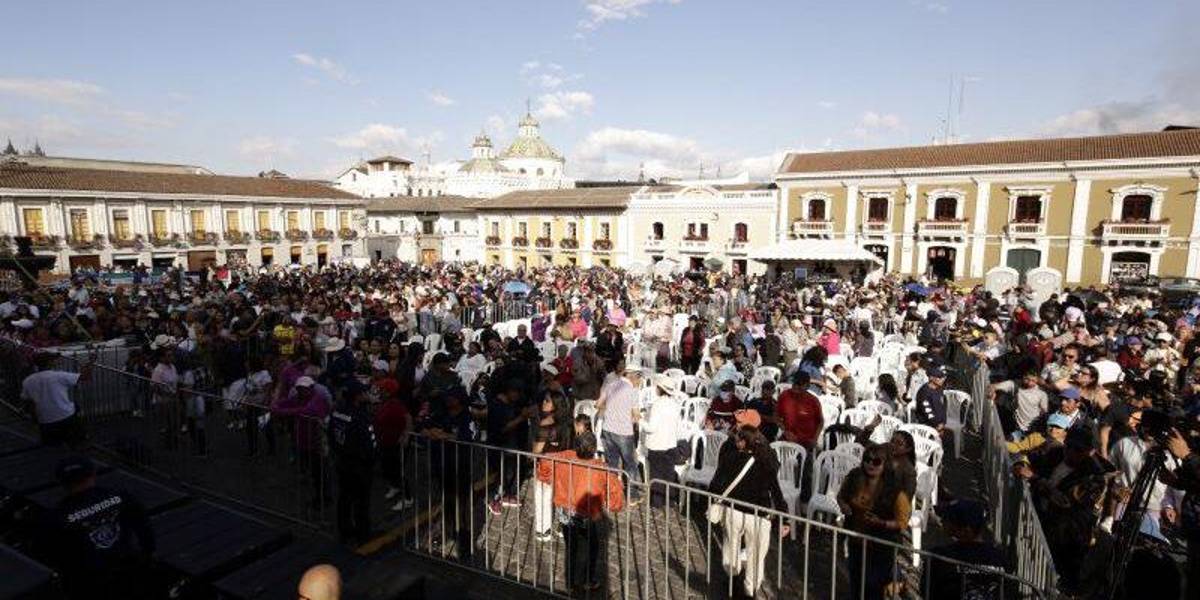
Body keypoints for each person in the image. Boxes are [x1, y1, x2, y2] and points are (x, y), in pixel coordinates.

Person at [43, 456, 156, 600]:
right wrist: (147, 556)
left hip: (90, 584)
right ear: (93, 474)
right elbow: (144, 529)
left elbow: (55, 556)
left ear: (61, 482)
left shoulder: (57, 517)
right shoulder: (120, 496)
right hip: (127, 573)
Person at [707, 411, 789, 598]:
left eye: (739, 424)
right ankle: (750, 590)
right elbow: (775, 489)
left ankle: (733, 583)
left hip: (735, 511)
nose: (735, 426)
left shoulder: (731, 454)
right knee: (756, 557)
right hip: (758, 515)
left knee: (731, 548)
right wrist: (784, 518)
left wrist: (714, 499)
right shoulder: (768, 456)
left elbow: (717, 481)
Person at [536, 431, 625, 594]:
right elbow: (615, 491)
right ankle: (587, 580)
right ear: (594, 449)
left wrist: (548, 478)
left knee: (571, 547)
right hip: (586, 513)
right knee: (593, 545)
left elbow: (545, 461)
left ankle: (570, 583)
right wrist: (613, 504)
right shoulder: (599, 467)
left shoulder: (565, 457)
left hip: (565, 509)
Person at [837, 443, 911, 600]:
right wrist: (844, 506)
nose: (870, 464)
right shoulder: (854, 477)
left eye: (876, 461)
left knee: (873, 587)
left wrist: (882, 523)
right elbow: (841, 496)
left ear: (885, 465)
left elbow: (902, 522)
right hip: (856, 540)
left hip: (880, 547)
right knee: (856, 580)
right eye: (867, 460)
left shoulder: (895, 491)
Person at [924, 500, 1008, 600]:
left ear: (966, 530)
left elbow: (927, 592)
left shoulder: (939, 556)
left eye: (949, 520)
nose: (942, 521)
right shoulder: (999, 557)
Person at [328, 383, 378, 544]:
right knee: (361, 501)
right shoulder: (360, 416)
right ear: (358, 396)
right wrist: (372, 459)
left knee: (344, 497)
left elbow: (330, 434)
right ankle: (363, 534)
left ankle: (344, 529)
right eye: (364, 392)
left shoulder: (337, 411)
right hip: (359, 463)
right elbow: (369, 441)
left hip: (342, 460)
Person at [22, 352, 90, 447]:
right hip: (66, 417)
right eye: (53, 360)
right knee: (75, 411)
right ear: (50, 363)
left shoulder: (28, 381)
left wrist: (35, 419)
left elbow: (28, 402)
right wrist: (91, 362)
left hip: (45, 421)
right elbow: (84, 377)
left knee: (52, 448)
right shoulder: (59, 376)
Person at [597, 362, 642, 500]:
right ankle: (632, 495)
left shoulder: (610, 385)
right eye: (639, 377)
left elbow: (598, 404)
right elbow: (636, 416)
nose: (640, 381)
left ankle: (611, 493)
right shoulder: (633, 391)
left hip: (607, 429)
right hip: (623, 432)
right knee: (630, 464)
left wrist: (612, 409)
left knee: (612, 464)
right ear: (634, 376)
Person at [532, 388, 573, 541]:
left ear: (555, 404)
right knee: (561, 495)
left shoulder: (546, 423)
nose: (543, 403)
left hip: (546, 466)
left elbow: (537, 450)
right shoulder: (569, 423)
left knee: (543, 496)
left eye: (547, 401)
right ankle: (564, 525)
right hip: (564, 464)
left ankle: (543, 529)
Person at [641, 376, 683, 507]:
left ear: (660, 389)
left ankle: (657, 502)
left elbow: (651, 428)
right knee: (668, 474)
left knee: (656, 476)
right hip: (670, 444)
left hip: (657, 445)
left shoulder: (657, 405)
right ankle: (669, 501)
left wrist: (640, 421)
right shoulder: (675, 405)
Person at [777, 371, 824, 450]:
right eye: (794, 383)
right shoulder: (784, 396)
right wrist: (785, 431)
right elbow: (777, 416)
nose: (796, 386)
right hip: (788, 440)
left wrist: (815, 439)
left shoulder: (813, 401)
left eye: (799, 384)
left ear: (807, 386)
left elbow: (820, 422)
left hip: (806, 442)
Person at [913, 366, 947, 432]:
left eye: (943, 377)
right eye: (939, 377)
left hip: (939, 425)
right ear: (931, 378)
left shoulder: (939, 389)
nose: (942, 379)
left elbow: (943, 408)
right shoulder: (924, 392)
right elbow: (928, 412)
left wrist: (943, 422)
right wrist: (937, 425)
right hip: (926, 426)